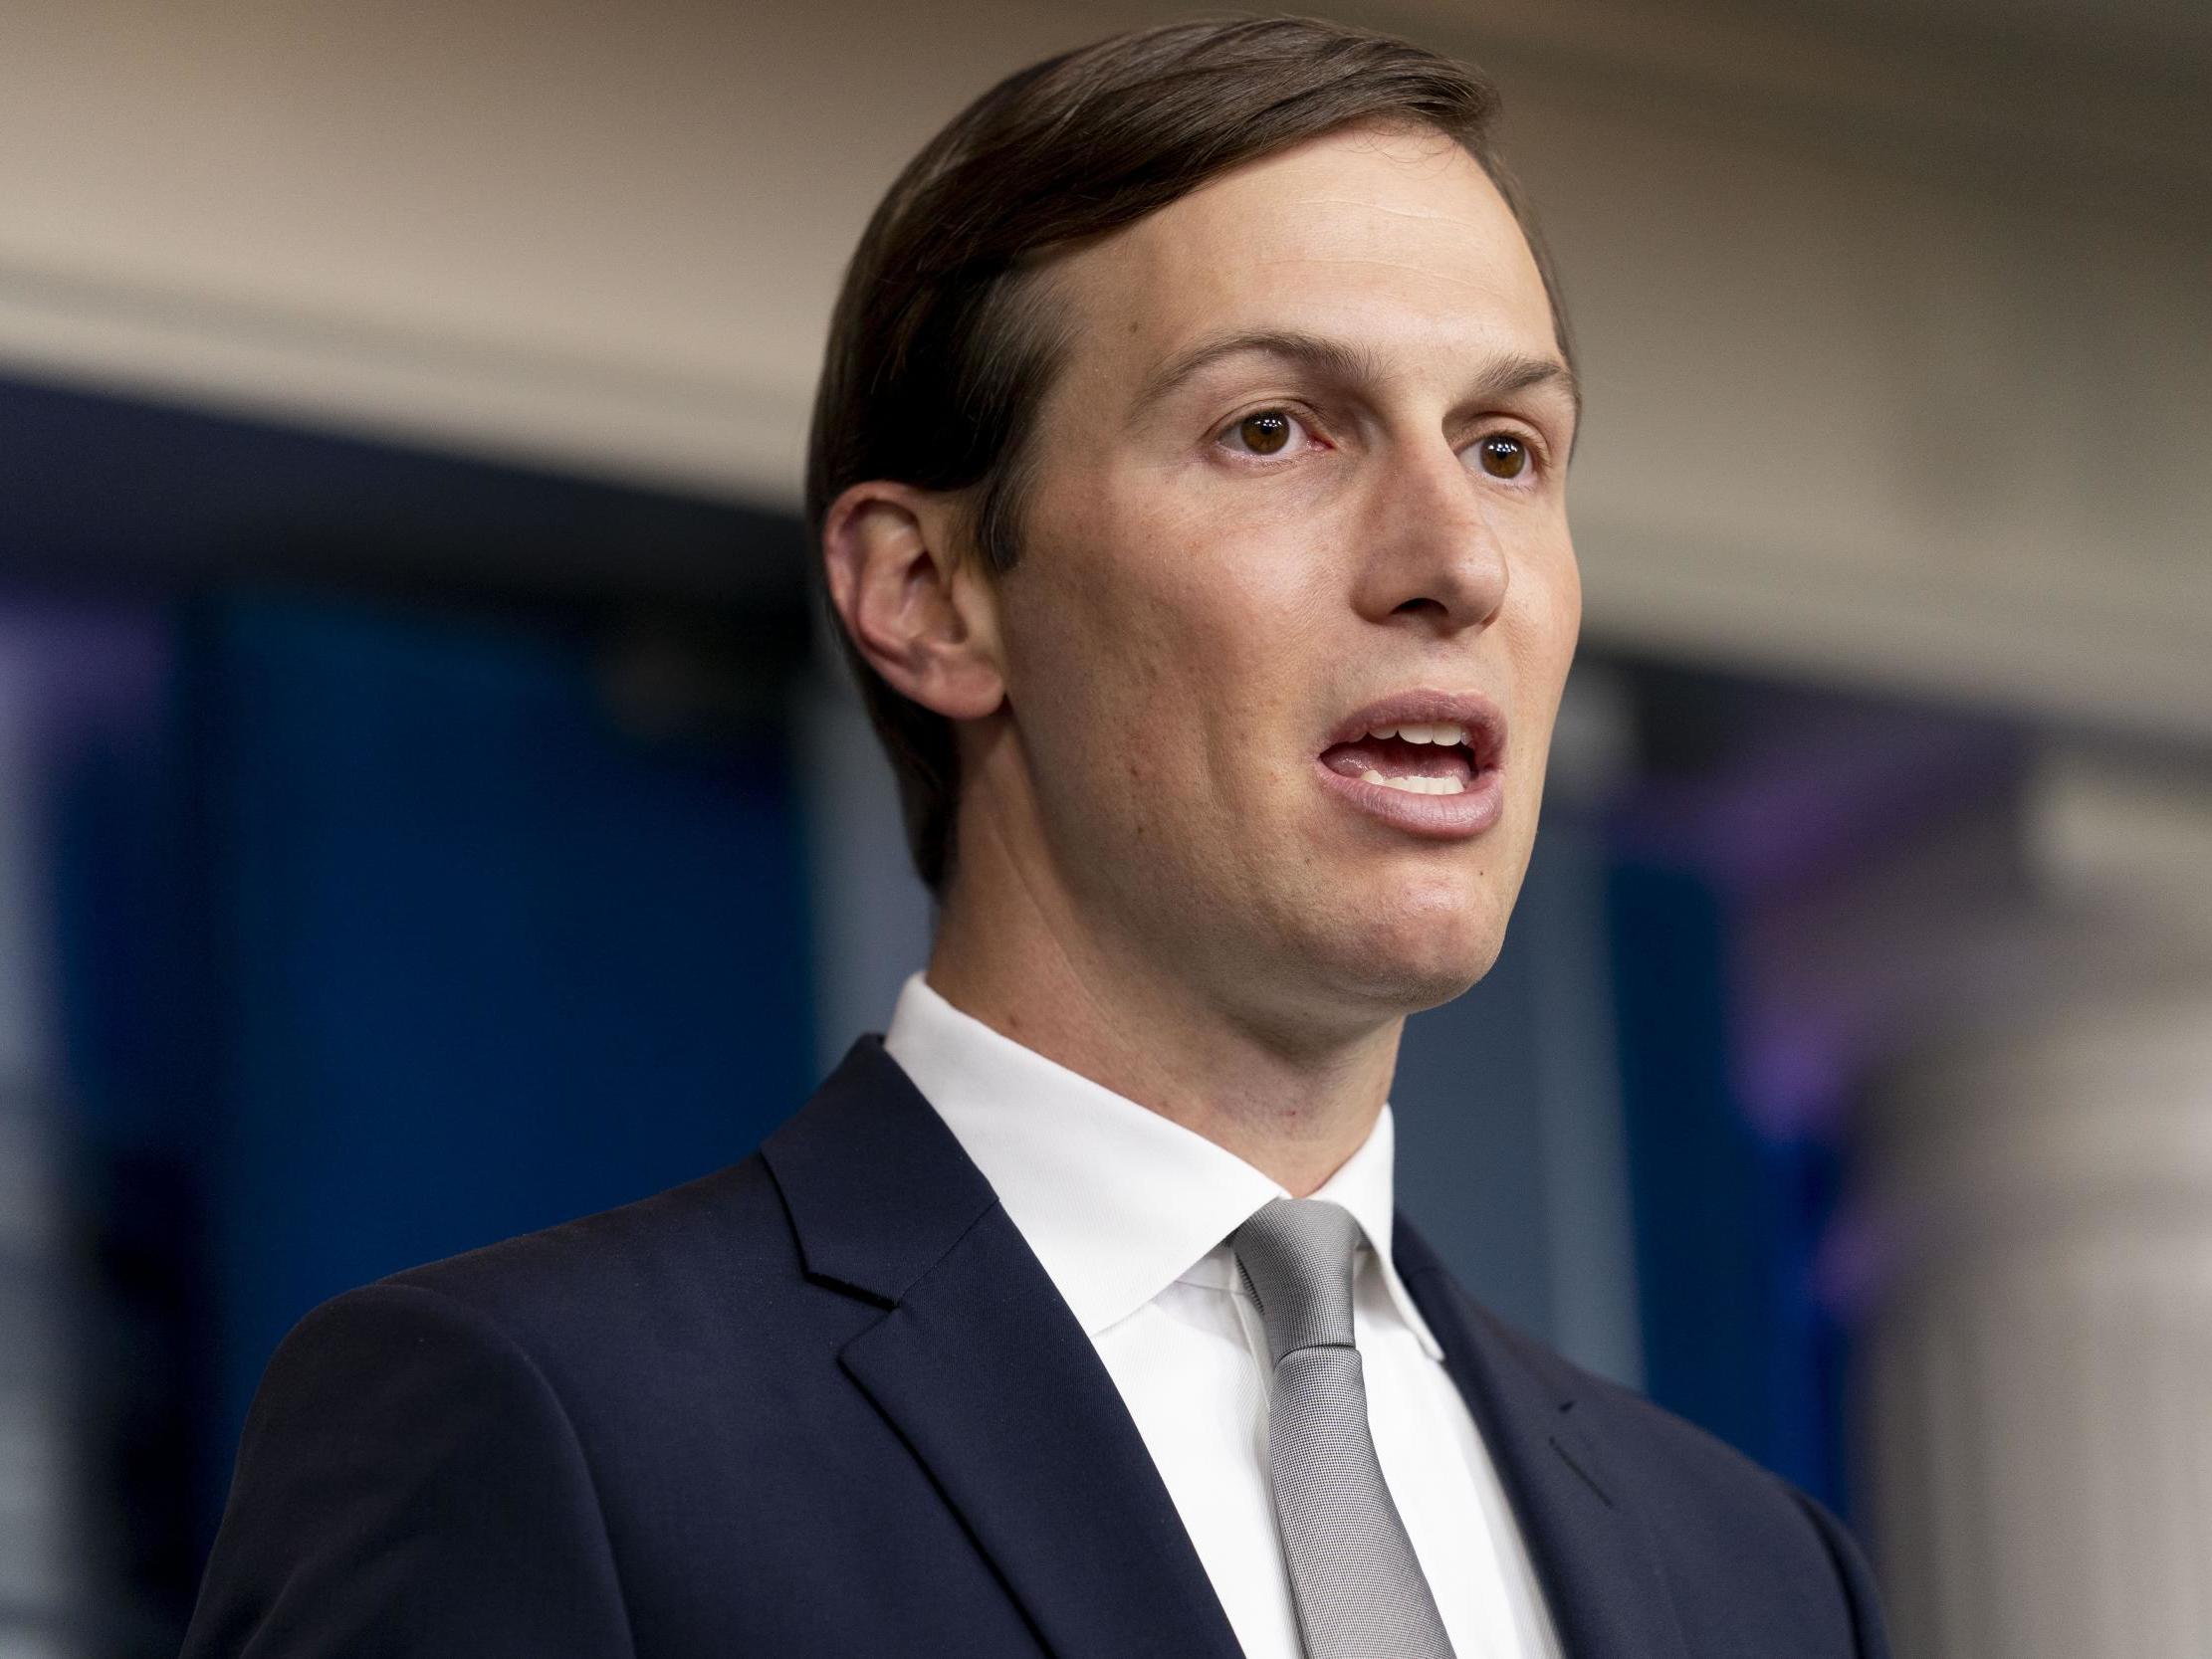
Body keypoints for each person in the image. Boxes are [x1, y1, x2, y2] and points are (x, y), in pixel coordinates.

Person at [184, 16, 1890, 1657]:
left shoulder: (1758, 1577)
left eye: (1506, 447)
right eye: (1273, 429)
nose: (1457, 559)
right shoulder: (537, 1426)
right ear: (930, 596)